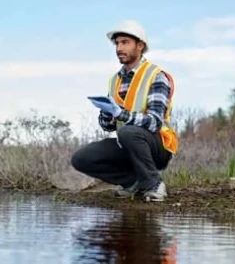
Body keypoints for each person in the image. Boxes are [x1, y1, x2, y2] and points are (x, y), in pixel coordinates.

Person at [70, 20, 179, 202]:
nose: (119, 48)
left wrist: (121, 114)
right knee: (81, 158)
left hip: (158, 147)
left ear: (140, 46)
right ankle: (132, 182)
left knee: (129, 132)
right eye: (117, 43)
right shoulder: (115, 81)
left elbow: (154, 122)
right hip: (127, 144)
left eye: (125, 42)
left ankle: (154, 185)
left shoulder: (156, 76)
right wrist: (106, 112)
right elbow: (108, 126)